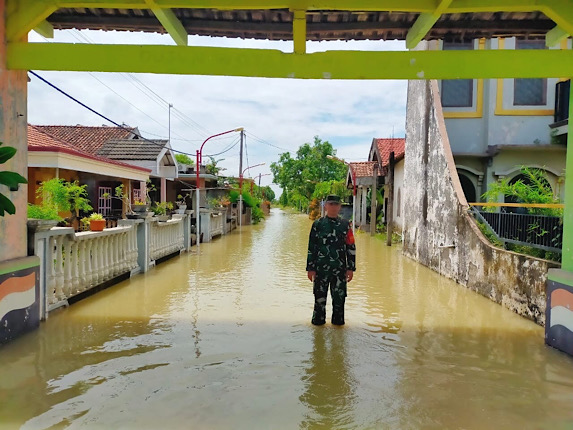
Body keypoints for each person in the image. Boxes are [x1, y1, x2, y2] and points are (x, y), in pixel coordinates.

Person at [306, 194, 356, 326]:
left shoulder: (345, 225)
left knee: (339, 303)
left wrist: (351, 268)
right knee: (319, 303)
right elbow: (312, 247)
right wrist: (310, 268)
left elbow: (351, 246)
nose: (333, 207)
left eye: (336, 204)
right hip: (320, 270)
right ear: (325, 206)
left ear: (340, 207)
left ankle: (338, 338)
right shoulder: (318, 224)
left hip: (339, 271)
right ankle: (318, 337)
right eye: (331, 204)